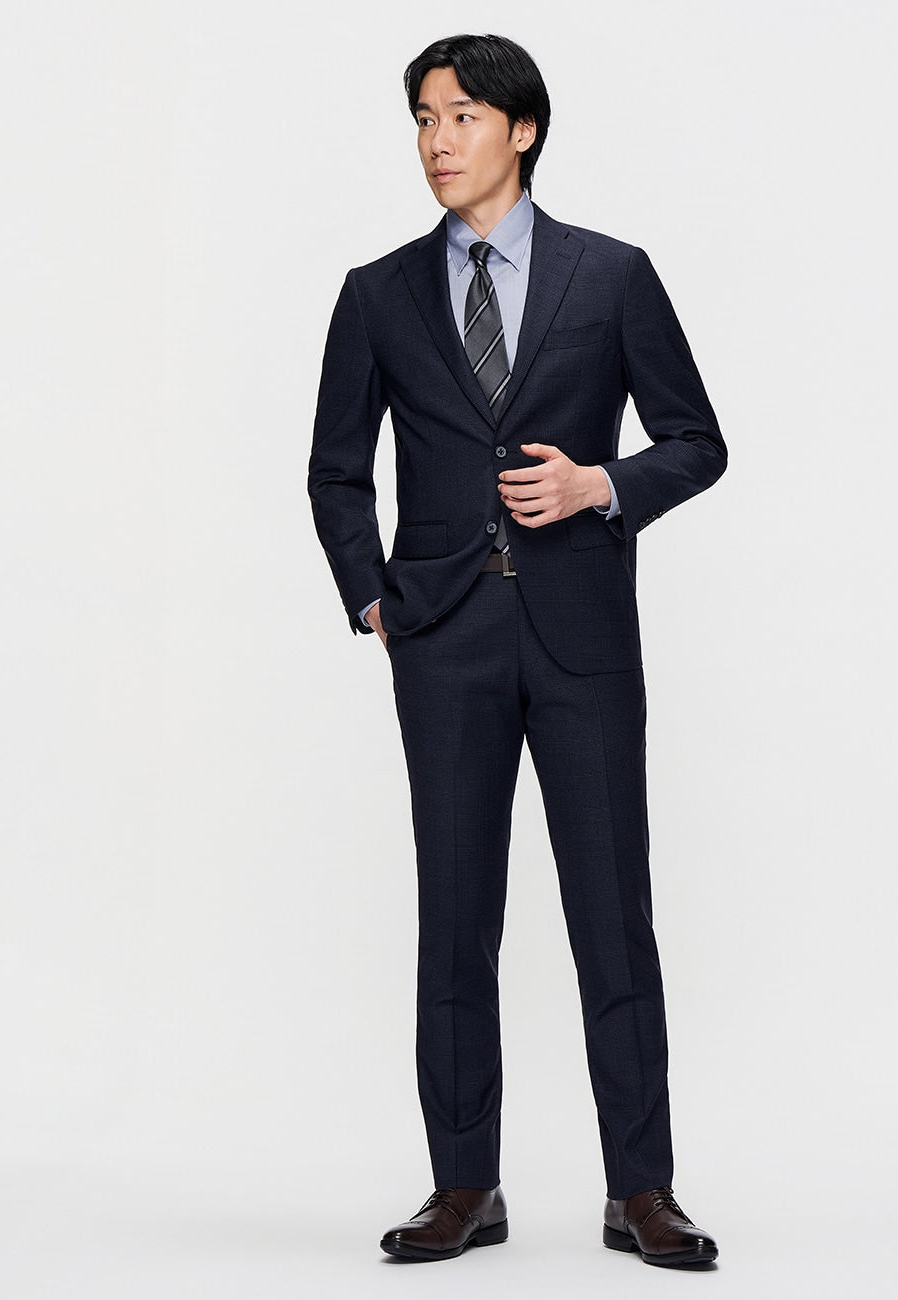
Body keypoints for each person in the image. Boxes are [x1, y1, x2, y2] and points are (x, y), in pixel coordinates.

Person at [308, 33, 726, 1267]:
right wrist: (372, 595)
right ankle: (462, 1184)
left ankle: (641, 1190)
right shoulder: (377, 292)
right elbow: (335, 468)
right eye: (421, 119)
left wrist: (602, 484)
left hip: (582, 635)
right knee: (455, 915)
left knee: (611, 911)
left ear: (521, 128)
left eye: (460, 116)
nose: (436, 141)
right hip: (442, 641)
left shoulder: (611, 275)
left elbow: (696, 440)